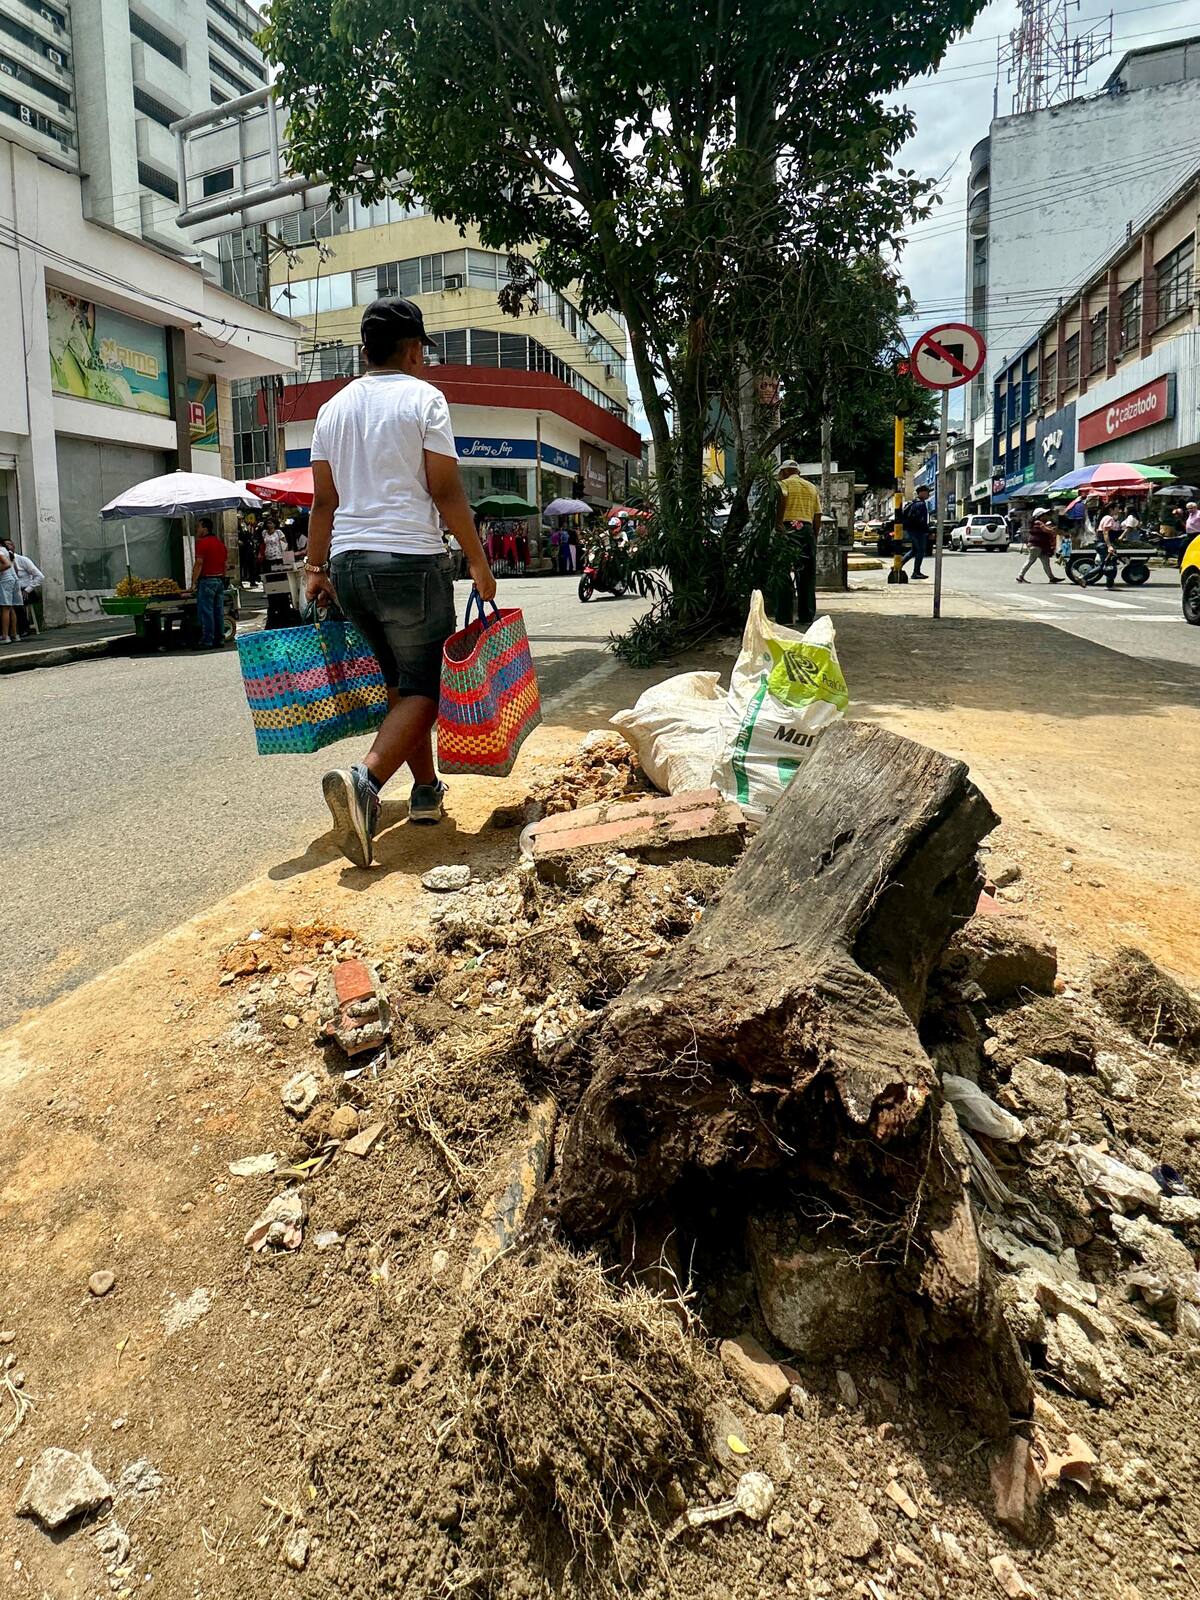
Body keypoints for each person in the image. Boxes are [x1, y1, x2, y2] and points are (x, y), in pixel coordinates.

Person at [305, 295, 496, 869]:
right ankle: (365, 780)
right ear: (413, 349)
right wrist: (479, 562)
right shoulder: (424, 399)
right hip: (409, 562)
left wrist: (315, 570)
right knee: (425, 687)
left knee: (399, 684)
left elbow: (323, 501)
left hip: (348, 565)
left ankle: (425, 792)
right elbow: (444, 490)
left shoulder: (331, 410)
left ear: (366, 349)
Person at [775, 459, 822, 625]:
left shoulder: (783, 484)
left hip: (787, 528)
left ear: (786, 471)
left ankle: (784, 617)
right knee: (807, 574)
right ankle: (806, 616)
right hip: (807, 529)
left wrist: (779, 522)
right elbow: (817, 514)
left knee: (783, 572)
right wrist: (813, 535)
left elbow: (782, 498)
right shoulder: (811, 487)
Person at [189, 517, 228, 648]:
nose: (197, 529)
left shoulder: (202, 543)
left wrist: (193, 582)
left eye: (198, 527)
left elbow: (199, 563)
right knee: (218, 611)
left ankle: (207, 640)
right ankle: (220, 638)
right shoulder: (220, 543)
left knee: (207, 611)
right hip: (219, 580)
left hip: (207, 581)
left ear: (205, 529)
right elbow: (225, 564)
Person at [4, 539, 44, 635]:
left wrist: (28, 589)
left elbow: (40, 576)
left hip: (25, 590)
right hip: (10, 590)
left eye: (9, 545)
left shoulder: (23, 560)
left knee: (15, 604)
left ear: (13, 547)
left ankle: (24, 628)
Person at [1016, 508, 1063, 585]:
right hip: (1035, 546)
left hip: (1041, 546)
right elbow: (1047, 530)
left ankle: (1052, 578)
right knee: (1030, 561)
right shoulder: (1038, 522)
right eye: (1044, 515)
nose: (1046, 516)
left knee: (1046, 562)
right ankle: (1020, 577)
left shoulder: (1041, 523)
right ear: (1040, 516)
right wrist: (1054, 530)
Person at [900, 483, 932, 579]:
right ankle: (916, 572)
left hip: (912, 530)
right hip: (918, 531)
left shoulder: (914, 503)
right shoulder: (920, 504)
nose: (928, 495)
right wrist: (927, 530)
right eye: (927, 493)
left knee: (914, 550)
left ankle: (898, 565)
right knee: (920, 551)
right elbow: (920, 519)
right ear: (921, 493)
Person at [0, 541, 19, 642]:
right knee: (10, 607)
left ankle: (5, 636)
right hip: (12, 580)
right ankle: (14, 634)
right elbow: (14, 568)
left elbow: (6, 565)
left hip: (5, 581)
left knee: (5, 608)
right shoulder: (5, 550)